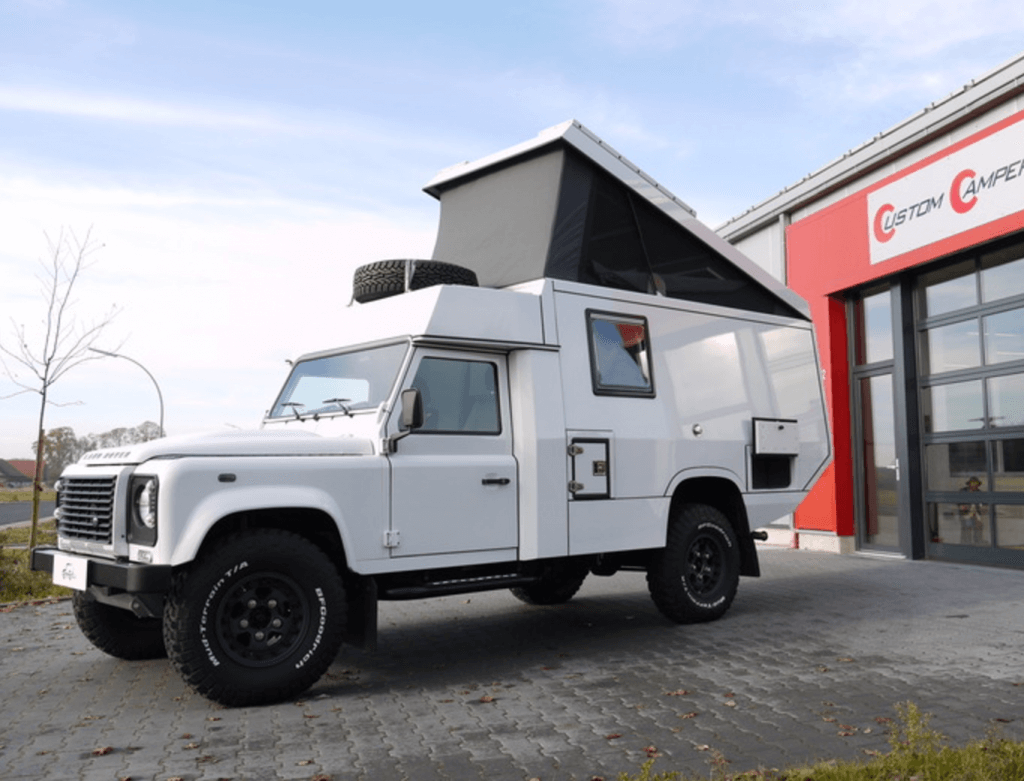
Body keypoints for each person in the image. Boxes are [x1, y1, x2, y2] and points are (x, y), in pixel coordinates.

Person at [958, 476, 984, 544]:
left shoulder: (979, 492)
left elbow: (982, 505)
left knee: (979, 526)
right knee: (967, 526)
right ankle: (967, 544)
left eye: (976, 483)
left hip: (976, 513)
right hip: (966, 514)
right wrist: (963, 507)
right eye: (973, 483)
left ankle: (977, 543)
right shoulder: (963, 491)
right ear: (969, 484)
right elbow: (959, 503)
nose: (974, 485)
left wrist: (979, 509)